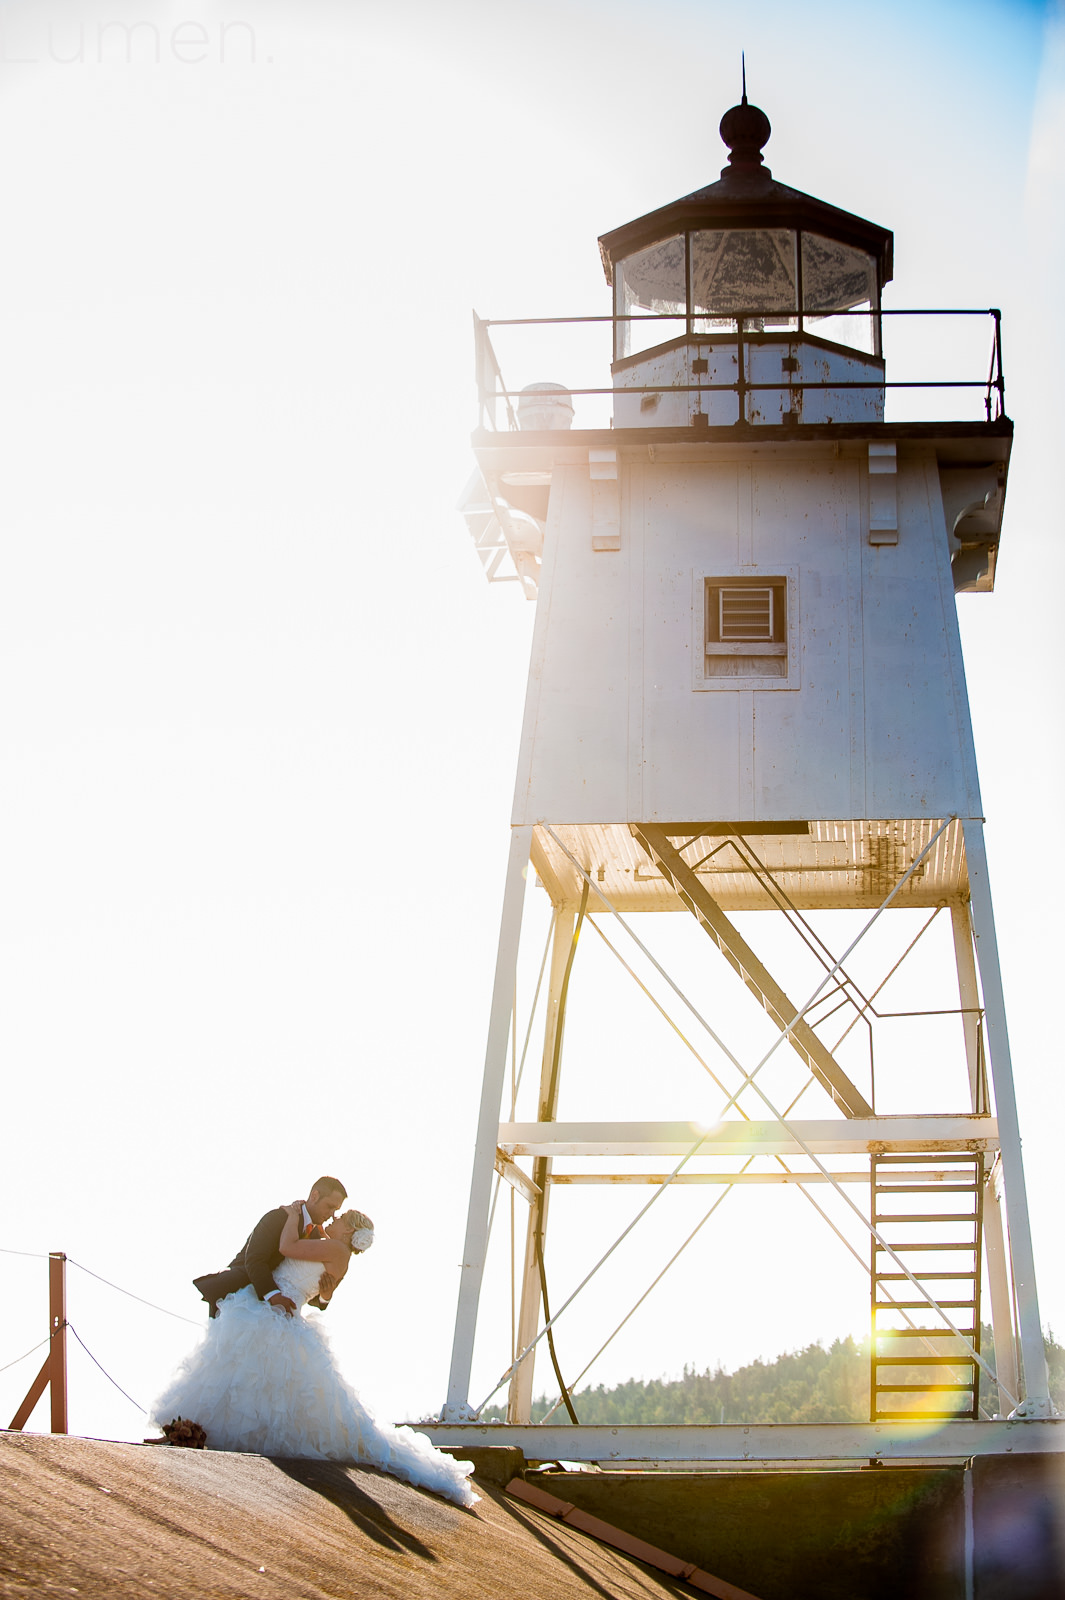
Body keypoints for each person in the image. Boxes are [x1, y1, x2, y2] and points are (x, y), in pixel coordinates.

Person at [151, 1199, 478, 1508]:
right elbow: (321, 1293)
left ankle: (211, 1433)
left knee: (245, 1377)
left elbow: (287, 1249)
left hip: (276, 1311)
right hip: (277, 1310)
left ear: (348, 1232)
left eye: (339, 1217)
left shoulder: (335, 1247)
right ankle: (208, 1433)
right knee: (257, 1381)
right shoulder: (334, 1248)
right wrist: (323, 1293)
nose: (332, 1219)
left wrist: (292, 1216)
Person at [192, 1176, 348, 1318]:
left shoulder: (317, 1239)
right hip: (238, 1298)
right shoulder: (279, 1217)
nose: (332, 1214)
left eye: (336, 1210)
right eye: (330, 1206)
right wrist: (273, 1296)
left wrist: (324, 1297)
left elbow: (303, 1288)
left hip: (277, 1314)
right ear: (315, 1196)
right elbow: (254, 1259)